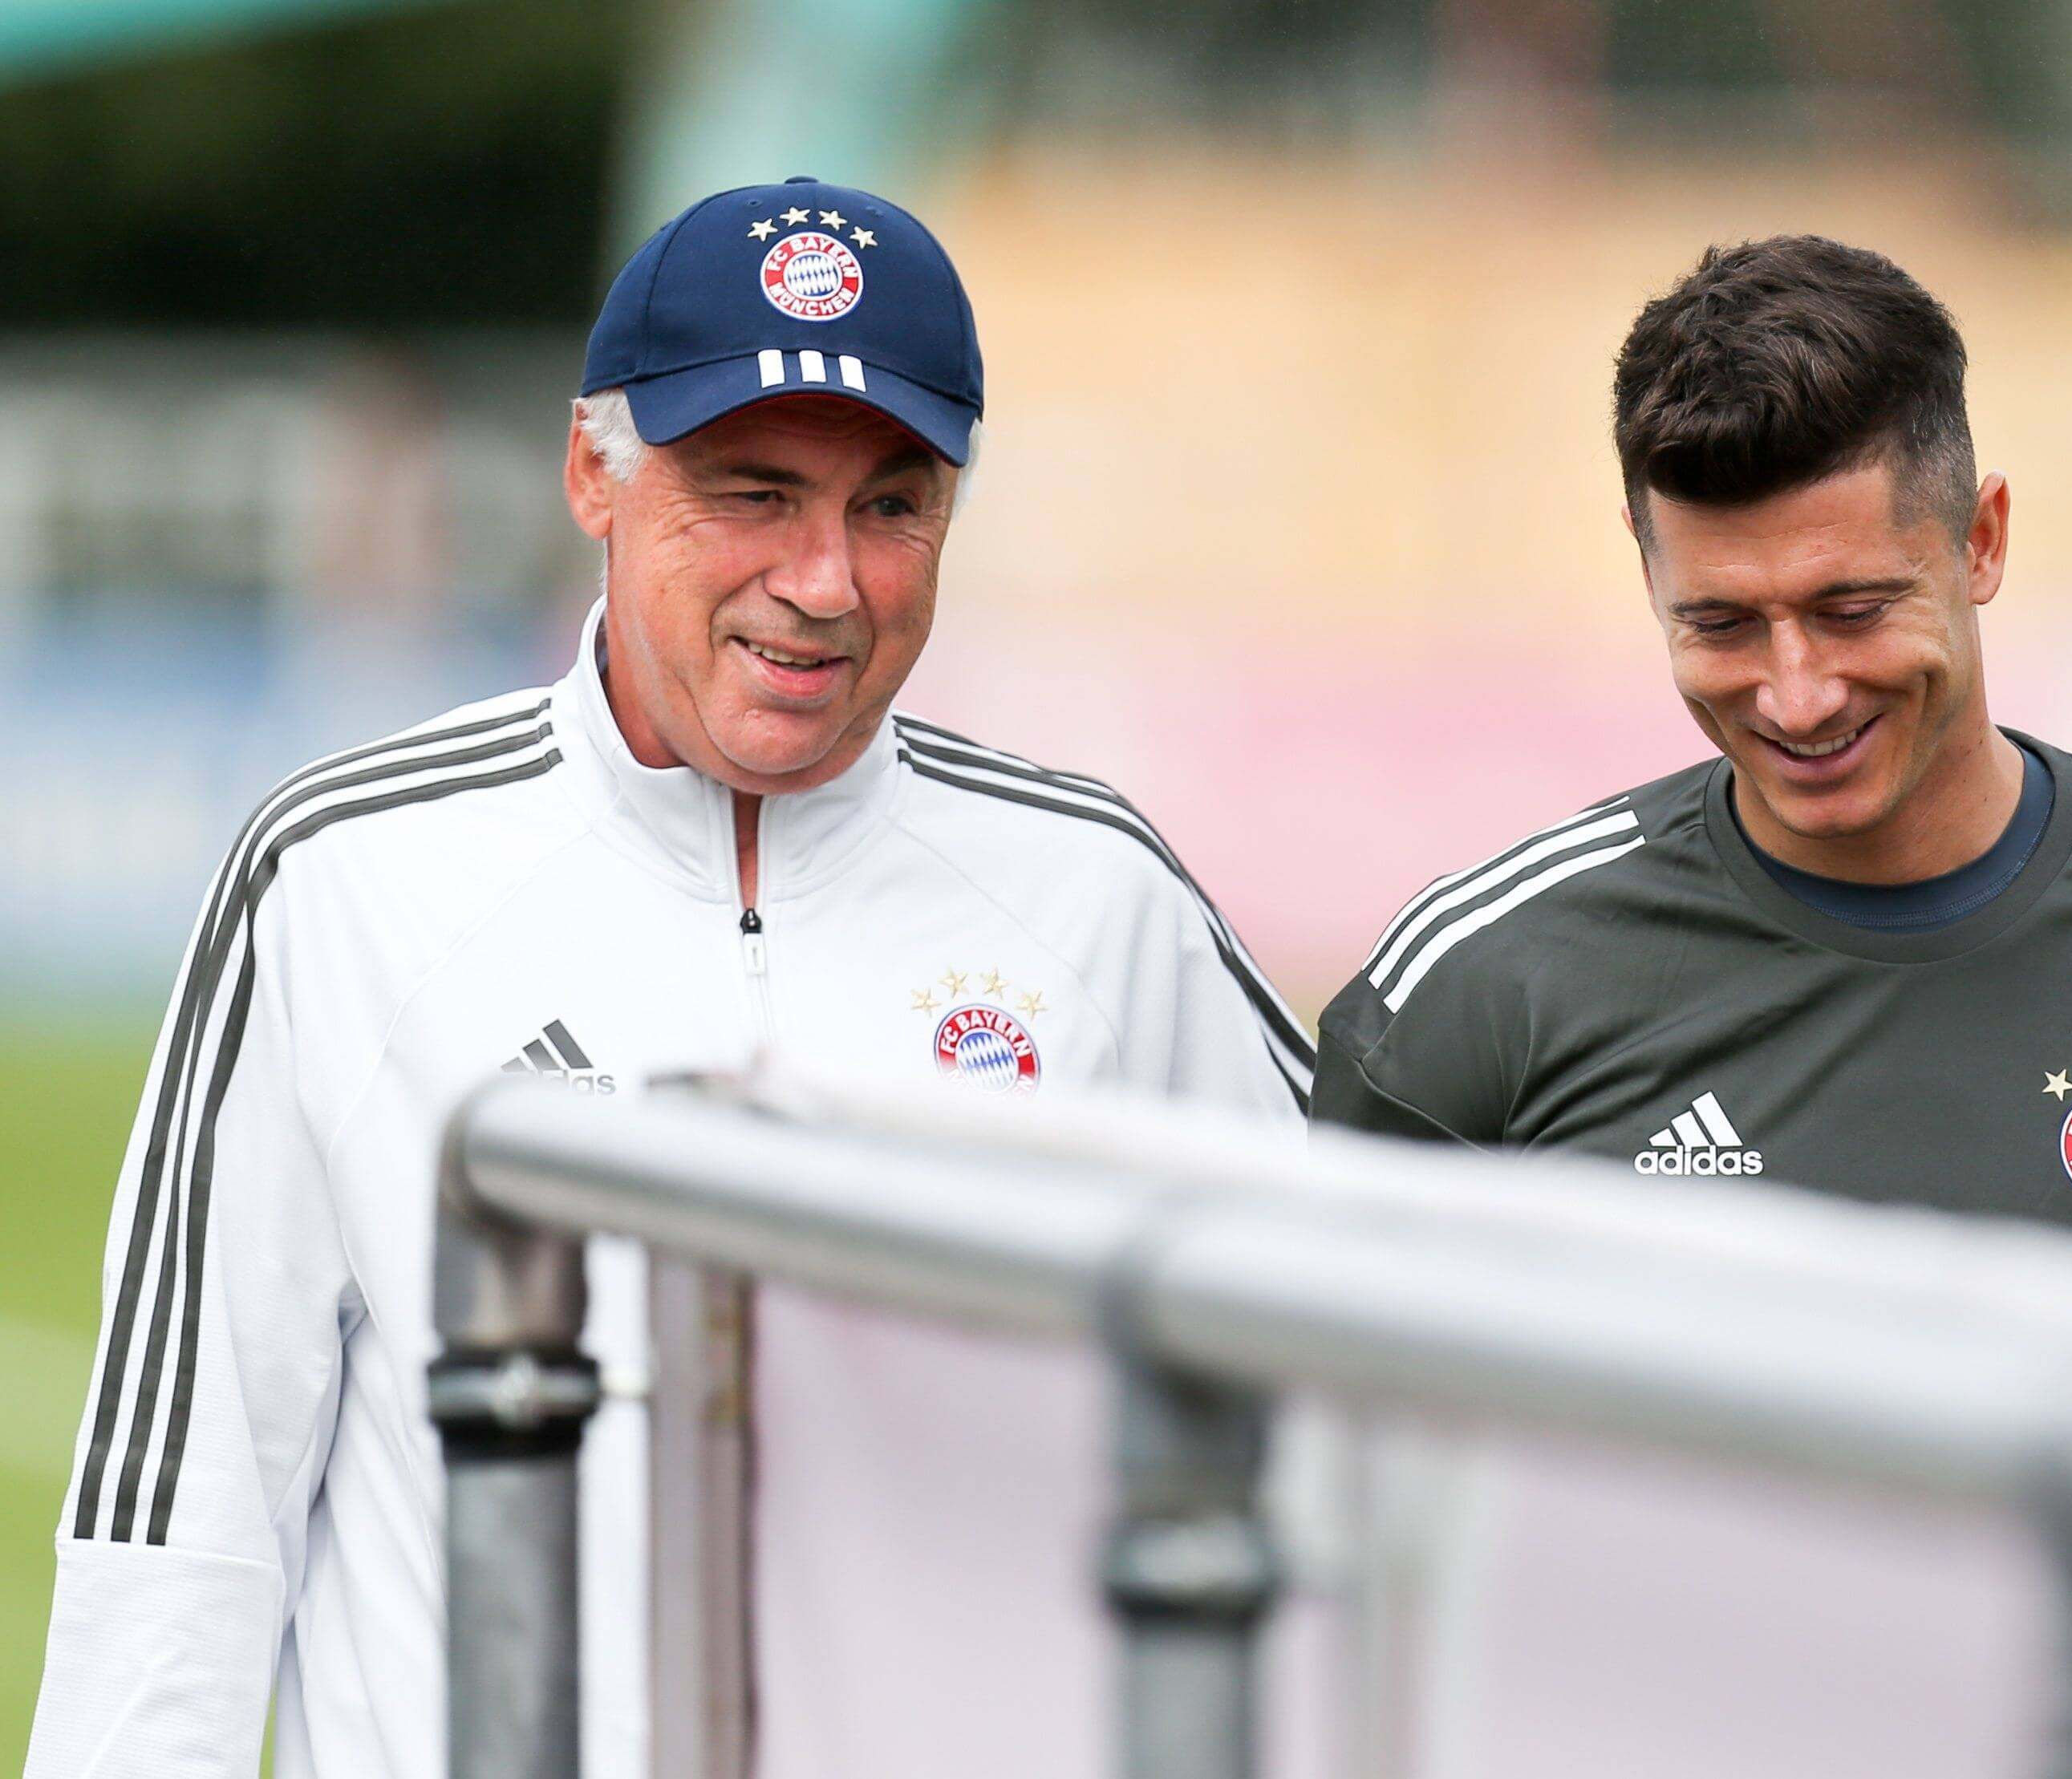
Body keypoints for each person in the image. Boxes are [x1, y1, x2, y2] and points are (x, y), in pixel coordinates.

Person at [27, 177, 1310, 1779]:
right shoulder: (341, 873)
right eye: (752, 490)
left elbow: (1342, 1413)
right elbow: (185, 1511)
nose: (825, 579)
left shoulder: (1100, 892)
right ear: (592, 473)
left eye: (892, 504)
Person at [1312, 235, 2072, 1327]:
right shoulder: (1471, 988)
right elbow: (1336, 1468)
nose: (1797, 692)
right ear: (1645, 563)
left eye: (1852, 609)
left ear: (1980, 541)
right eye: (1720, 622)